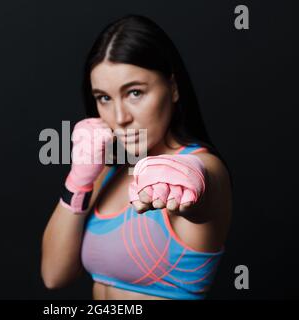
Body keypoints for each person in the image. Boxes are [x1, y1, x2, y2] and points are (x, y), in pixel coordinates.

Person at [41, 14, 232, 300]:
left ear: (174, 87)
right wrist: (78, 180)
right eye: (104, 98)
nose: (120, 117)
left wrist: (189, 178)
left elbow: (202, 190)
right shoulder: (106, 172)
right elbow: (54, 275)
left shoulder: (203, 167)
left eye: (134, 93)